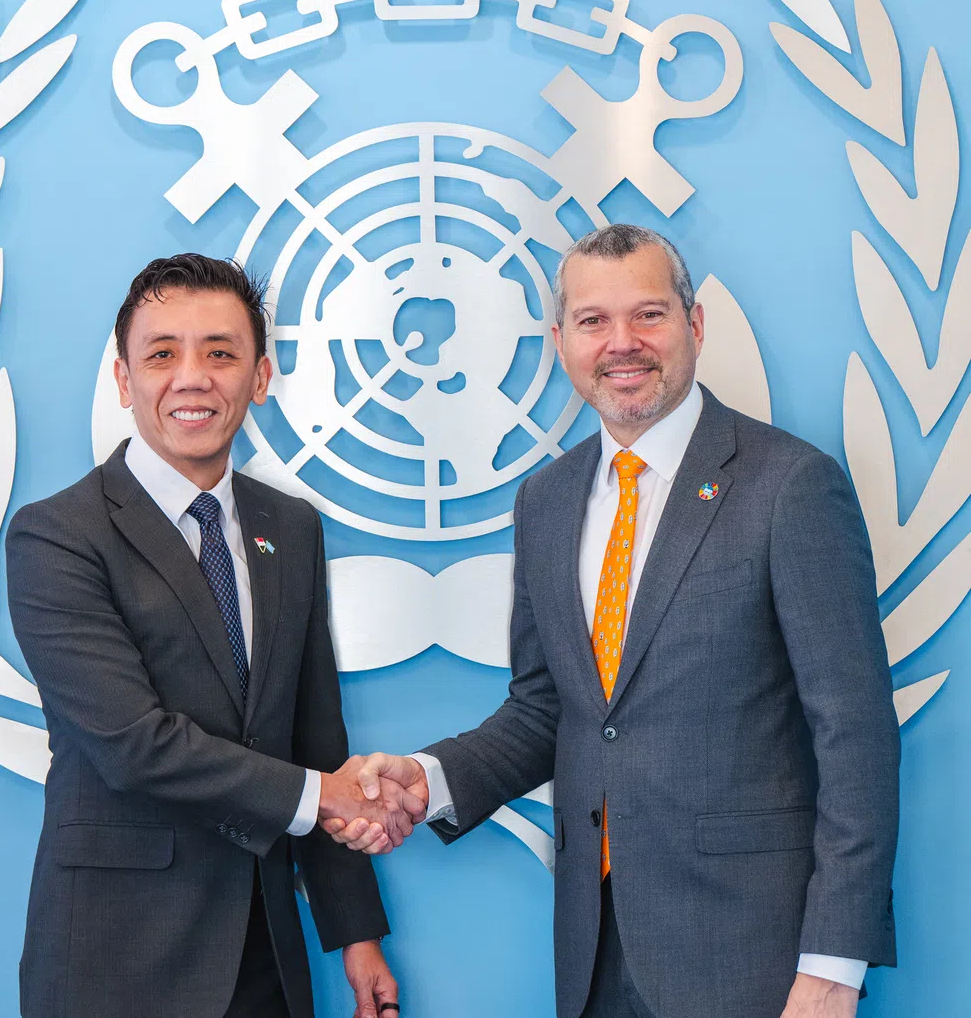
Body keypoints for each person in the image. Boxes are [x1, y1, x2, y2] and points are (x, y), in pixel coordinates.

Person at [325, 225, 900, 1018]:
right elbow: (548, 711)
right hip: (594, 952)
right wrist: (426, 783)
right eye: (594, 321)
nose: (622, 343)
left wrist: (833, 967)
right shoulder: (547, 501)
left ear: (694, 327)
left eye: (649, 315)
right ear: (562, 342)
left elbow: (856, 734)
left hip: (756, 958)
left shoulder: (790, 487)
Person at [6, 253, 421, 1018]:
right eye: (161, 353)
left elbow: (314, 737)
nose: (192, 377)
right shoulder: (57, 537)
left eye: (220, 352)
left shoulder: (289, 527)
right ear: (124, 380)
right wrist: (324, 796)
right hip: (117, 960)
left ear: (259, 378)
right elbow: (136, 747)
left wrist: (356, 935)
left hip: (264, 953)